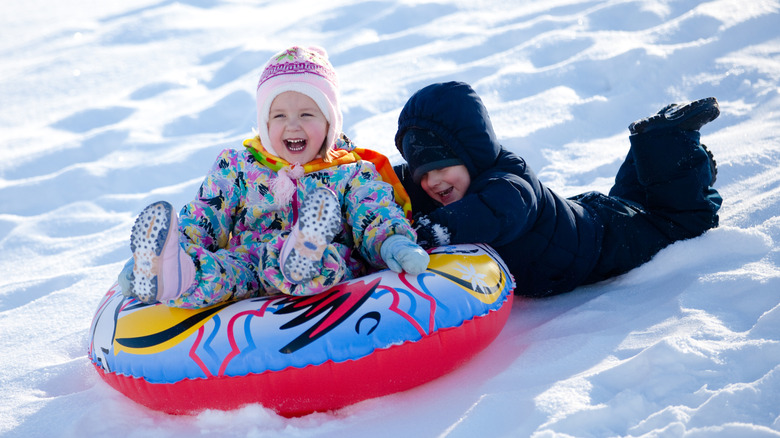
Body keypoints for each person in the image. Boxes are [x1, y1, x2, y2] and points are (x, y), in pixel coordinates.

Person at [119, 46, 429, 308]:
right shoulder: (238, 167)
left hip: (325, 262)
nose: (292, 125)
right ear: (264, 123)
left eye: (307, 114)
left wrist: (394, 244)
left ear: (330, 123)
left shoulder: (351, 172)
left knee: (329, 261)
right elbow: (203, 218)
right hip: (250, 264)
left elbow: (373, 214)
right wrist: (171, 249)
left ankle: (302, 252)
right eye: (279, 115)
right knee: (220, 273)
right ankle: (173, 273)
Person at [393, 81, 722, 297]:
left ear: (470, 154)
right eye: (423, 173)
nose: (432, 182)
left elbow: (495, 212)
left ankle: (672, 144)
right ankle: (652, 151)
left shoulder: (508, 184)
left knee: (678, 223)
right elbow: (399, 184)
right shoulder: (451, 183)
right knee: (633, 203)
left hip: (599, 244)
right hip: (586, 222)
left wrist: (431, 232)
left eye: (441, 167)